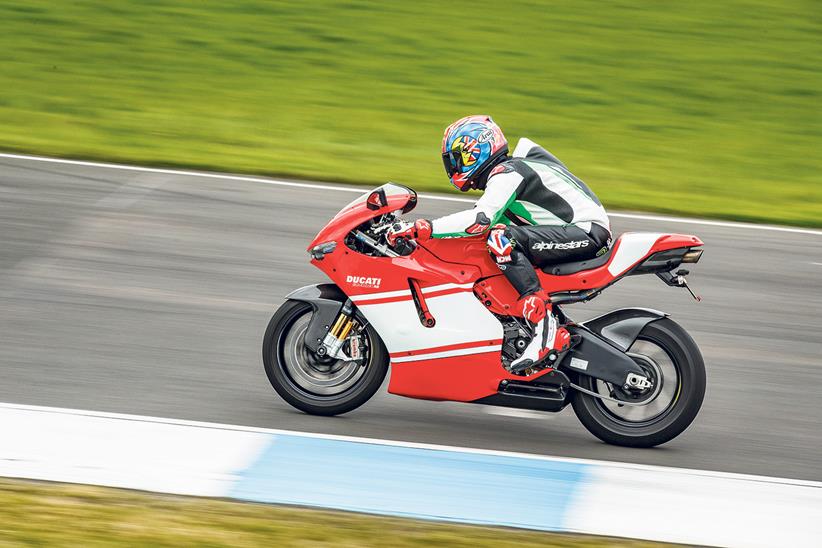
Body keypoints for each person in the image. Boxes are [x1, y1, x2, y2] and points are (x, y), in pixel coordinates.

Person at [387, 115, 612, 372]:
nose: (452, 167)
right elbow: (473, 228)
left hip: (586, 234)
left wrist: (421, 228)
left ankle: (545, 330)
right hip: (578, 232)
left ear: (474, 151)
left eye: (455, 159)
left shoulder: (507, 173)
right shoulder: (510, 171)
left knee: (501, 240)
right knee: (489, 243)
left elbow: (478, 220)